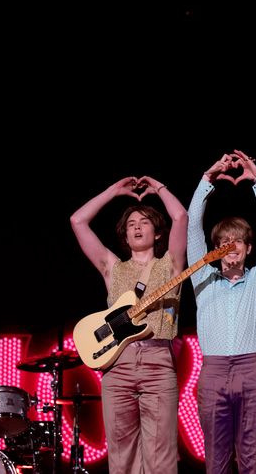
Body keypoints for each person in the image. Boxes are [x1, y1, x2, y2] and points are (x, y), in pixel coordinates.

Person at [70, 175, 187, 474]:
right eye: (132, 222)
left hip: (158, 364)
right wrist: (113, 192)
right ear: (124, 233)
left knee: (161, 458)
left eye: (145, 221)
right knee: (121, 460)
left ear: (158, 232)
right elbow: (77, 220)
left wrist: (159, 187)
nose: (137, 225)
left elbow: (180, 216)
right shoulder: (112, 267)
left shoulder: (171, 264)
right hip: (117, 366)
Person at [187, 150, 256, 474]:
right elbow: (193, 227)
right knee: (216, 461)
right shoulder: (203, 279)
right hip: (212, 373)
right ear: (215, 249)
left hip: (250, 371)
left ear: (248, 248)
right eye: (224, 240)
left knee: (252, 461)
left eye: (238, 240)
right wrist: (206, 180)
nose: (232, 245)